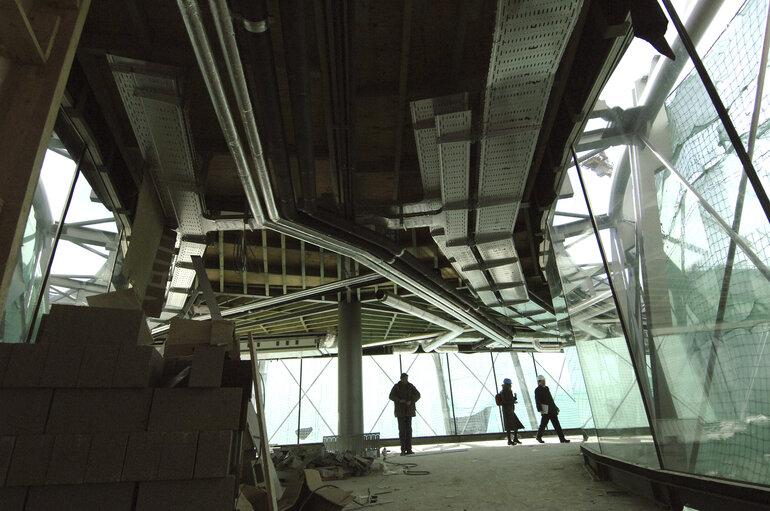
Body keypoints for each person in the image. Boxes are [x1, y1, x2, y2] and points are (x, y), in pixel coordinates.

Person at [389, 372, 421, 455]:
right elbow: (391, 396)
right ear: (401, 379)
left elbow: (418, 395)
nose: (406, 380)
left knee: (409, 430)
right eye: (404, 379)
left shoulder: (410, 386)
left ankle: (409, 449)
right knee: (402, 431)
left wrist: (411, 401)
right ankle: (403, 449)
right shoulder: (397, 387)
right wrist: (399, 400)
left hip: (408, 411)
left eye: (407, 378)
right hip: (400, 412)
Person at [534, 374, 570, 443]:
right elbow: (537, 400)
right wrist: (540, 410)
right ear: (539, 381)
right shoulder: (537, 390)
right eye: (543, 381)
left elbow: (550, 399)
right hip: (545, 410)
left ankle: (562, 438)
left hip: (551, 409)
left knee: (556, 424)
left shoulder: (546, 388)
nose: (544, 382)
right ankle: (539, 436)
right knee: (543, 424)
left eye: (544, 380)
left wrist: (555, 407)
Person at [498, 378, 523, 445]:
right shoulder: (505, 391)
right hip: (508, 411)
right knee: (512, 425)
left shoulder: (504, 391)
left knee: (513, 425)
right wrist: (513, 401)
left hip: (508, 410)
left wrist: (514, 398)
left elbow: (508, 400)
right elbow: (506, 401)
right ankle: (510, 439)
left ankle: (513, 439)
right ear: (508, 385)